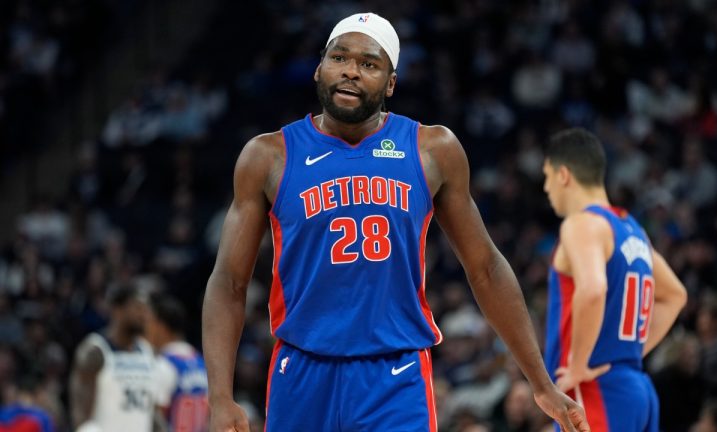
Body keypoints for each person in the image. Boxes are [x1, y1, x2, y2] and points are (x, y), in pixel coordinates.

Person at [203, 12, 589, 432]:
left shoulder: (432, 149)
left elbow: (487, 269)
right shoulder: (268, 156)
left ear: (390, 84)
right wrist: (219, 397)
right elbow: (229, 282)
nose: (351, 71)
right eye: (339, 58)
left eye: (369, 64)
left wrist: (541, 383)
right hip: (301, 371)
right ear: (318, 68)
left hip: (395, 376)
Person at [541, 128, 688, 431]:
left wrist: (578, 366)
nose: (545, 187)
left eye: (547, 176)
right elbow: (675, 296)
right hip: (636, 389)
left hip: (596, 389)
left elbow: (593, 289)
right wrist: (627, 354)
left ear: (563, 174)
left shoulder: (581, 224)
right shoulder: (632, 229)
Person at [69, 284, 158, 432]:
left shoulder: (146, 351)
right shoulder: (96, 350)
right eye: (138, 308)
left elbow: (151, 410)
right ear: (118, 310)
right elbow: (80, 410)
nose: (144, 314)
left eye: (146, 309)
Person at [146, 292, 209, 432]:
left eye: (150, 323)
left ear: (160, 326)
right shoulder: (200, 362)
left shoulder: (164, 365)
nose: (146, 329)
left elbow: (156, 420)